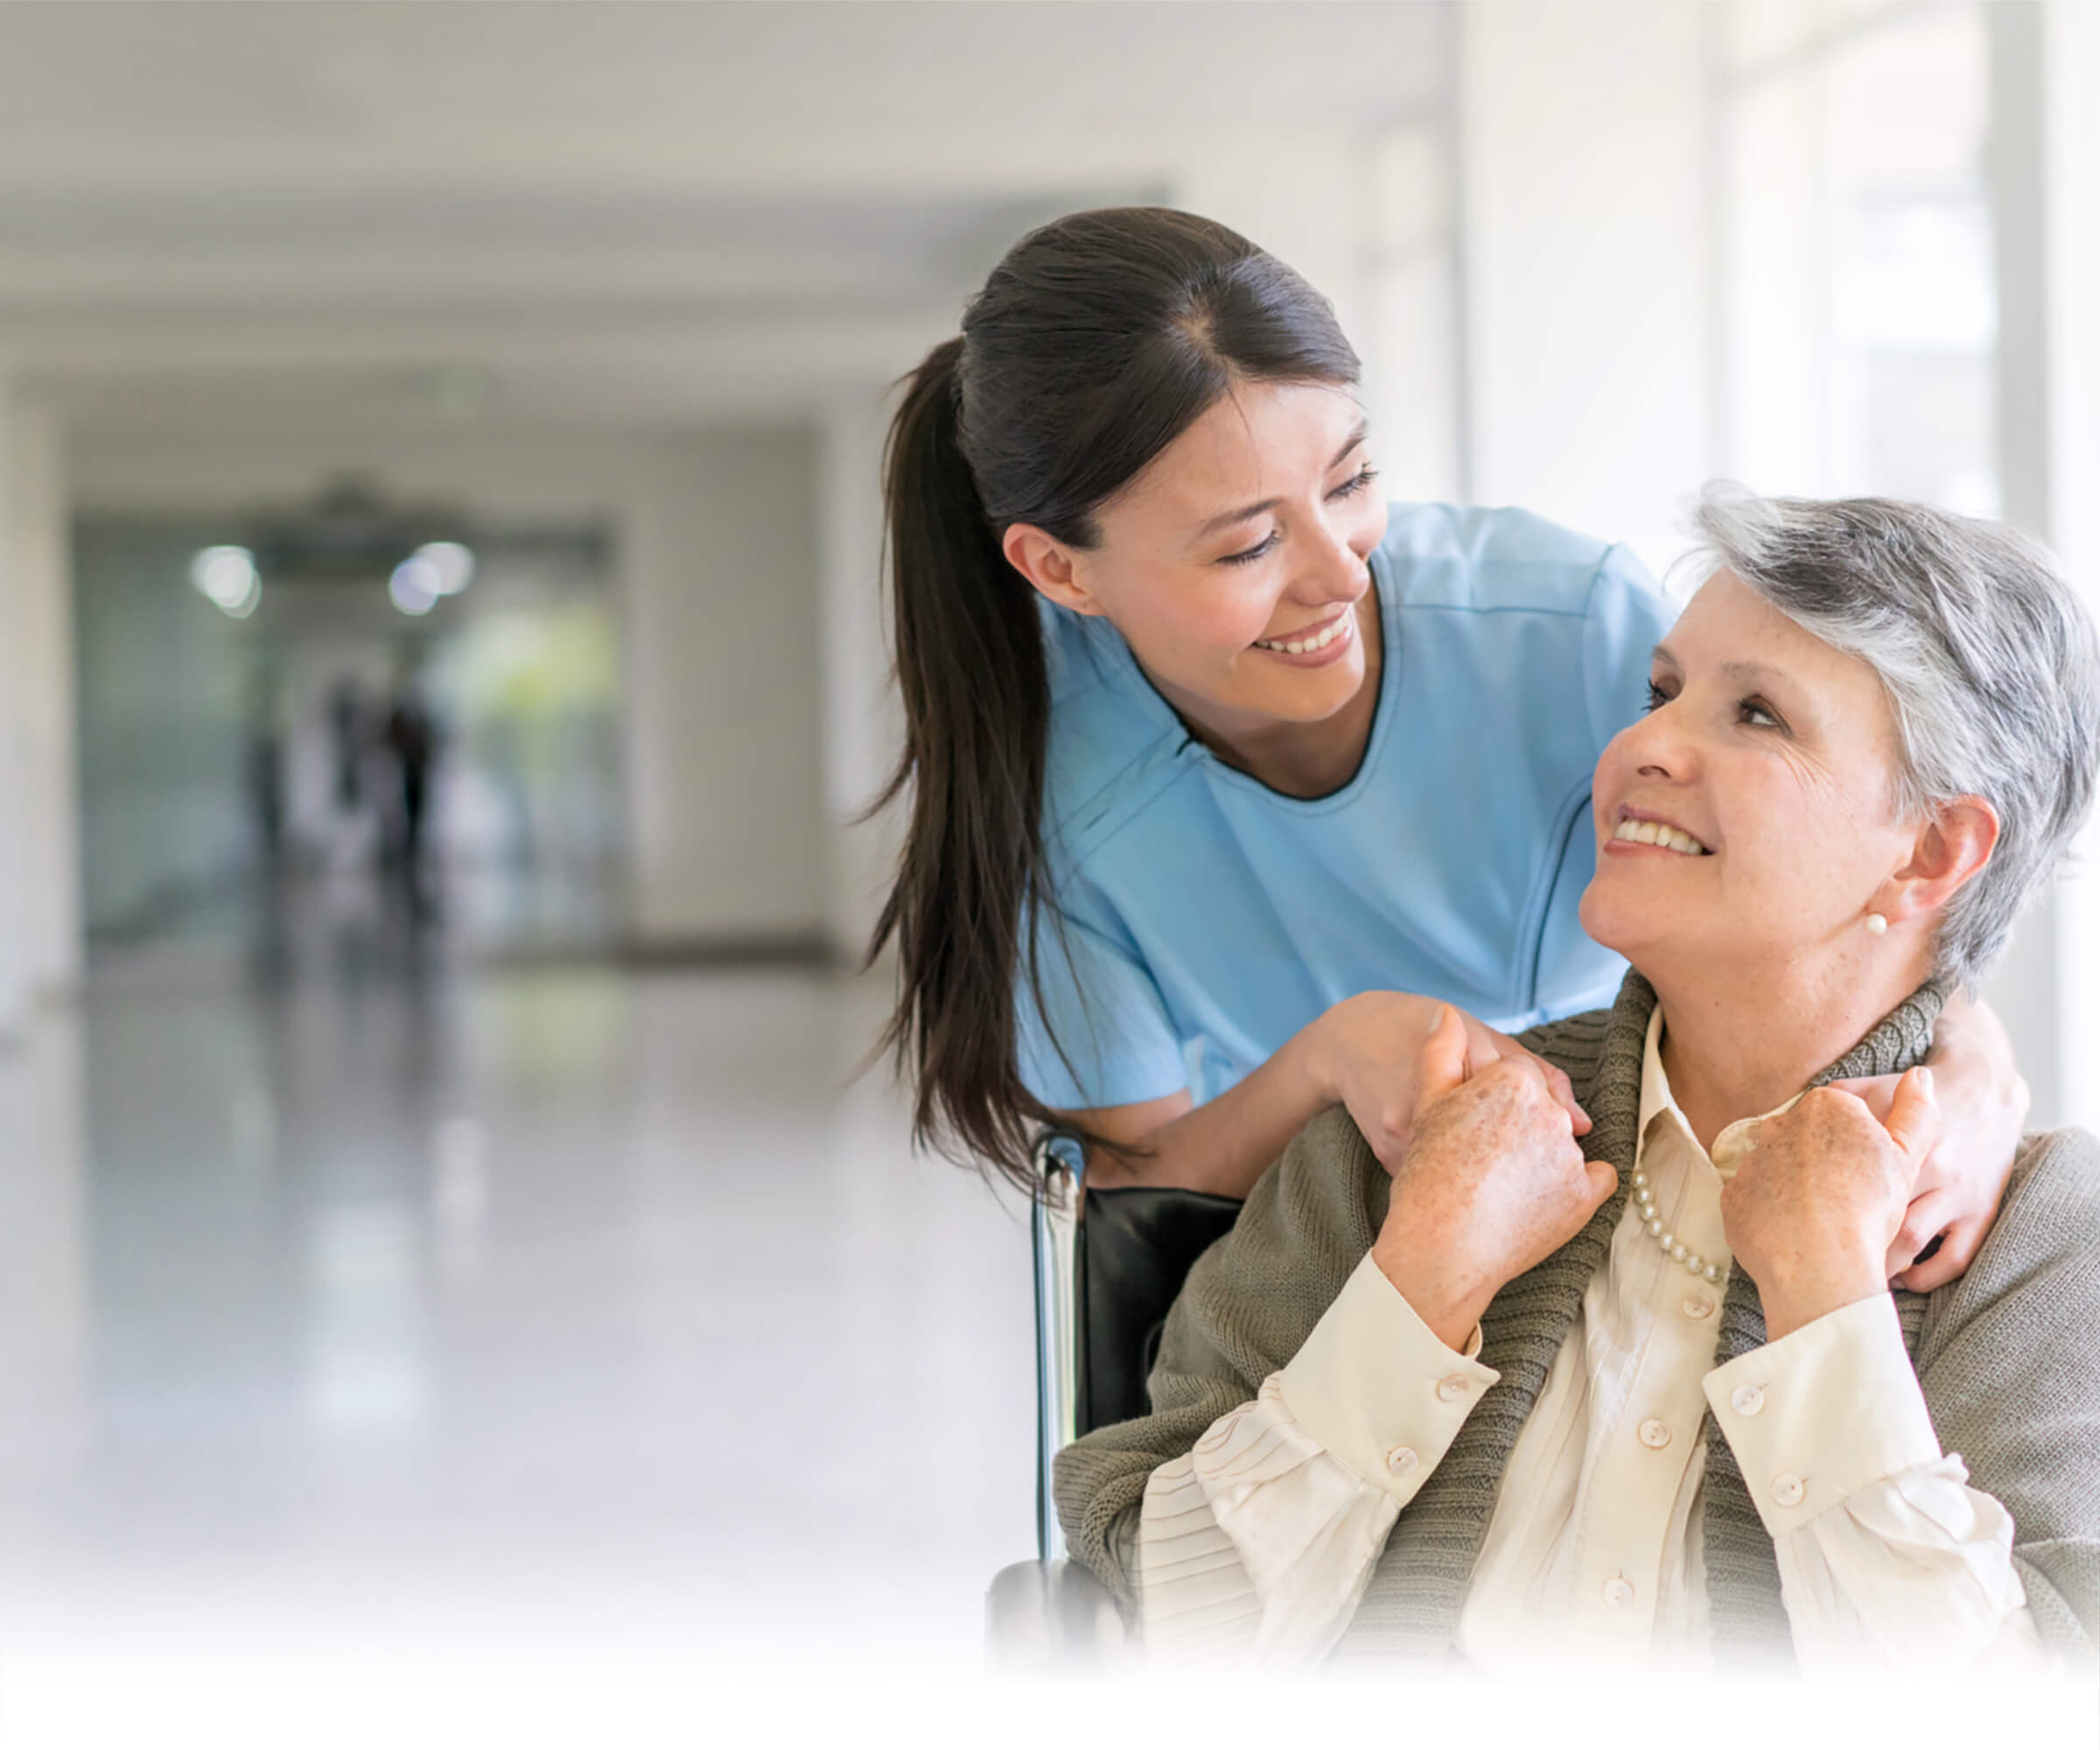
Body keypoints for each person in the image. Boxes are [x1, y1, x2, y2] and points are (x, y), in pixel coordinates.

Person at [872, 206, 2024, 1298]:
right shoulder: (1056, 808)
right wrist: (1328, 1063)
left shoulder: (1571, 633)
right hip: (1325, 1269)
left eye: (1351, 481)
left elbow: (1861, 883)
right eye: (1248, 547)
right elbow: (1130, 1193)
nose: (1338, 572)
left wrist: (1972, 1067)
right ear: (1060, 570)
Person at [1053, 491, 2100, 1672]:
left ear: (1935, 852)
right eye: (1662, 692)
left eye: (1758, 714)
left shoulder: (2049, 1248)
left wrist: (1831, 1307)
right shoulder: (1414, 1137)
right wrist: (1420, 1282)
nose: (1642, 745)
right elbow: (1166, 1625)